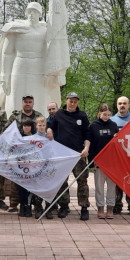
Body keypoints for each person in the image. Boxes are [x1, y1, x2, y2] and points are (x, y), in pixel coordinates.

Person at [0, 0, 69, 116]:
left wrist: (58, 72)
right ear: (26, 13)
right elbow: (7, 53)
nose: (32, 14)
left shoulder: (46, 31)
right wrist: (4, 75)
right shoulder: (16, 29)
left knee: (41, 98)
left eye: (35, 12)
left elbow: (55, 50)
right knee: (16, 97)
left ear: (40, 14)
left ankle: (41, 125)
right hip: (19, 66)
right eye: (30, 11)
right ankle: (13, 124)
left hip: (39, 68)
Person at [46, 92, 91, 220]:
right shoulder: (59, 114)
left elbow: (87, 134)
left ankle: (84, 207)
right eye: (70, 100)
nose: (72, 103)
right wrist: (49, 131)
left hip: (78, 153)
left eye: (75, 101)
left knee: (82, 181)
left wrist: (86, 148)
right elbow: (50, 126)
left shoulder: (82, 115)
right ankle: (64, 206)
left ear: (77, 102)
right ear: (66, 101)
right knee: (62, 182)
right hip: (62, 154)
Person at [5, 94, 44, 213]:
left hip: (34, 155)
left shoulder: (38, 116)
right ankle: (15, 204)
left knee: (33, 179)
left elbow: (43, 130)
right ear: (22, 103)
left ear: (33, 103)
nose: (27, 103)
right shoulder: (15, 116)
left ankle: (34, 205)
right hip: (17, 154)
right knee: (17, 180)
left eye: (30, 102)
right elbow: (7, 131)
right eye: (25, 102)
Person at [110, 96, 130, 216]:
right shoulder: (112, 120)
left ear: (128, 105)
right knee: (117, 182)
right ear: (117, 105)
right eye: (119, 103)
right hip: (118, 157)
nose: (122, 105)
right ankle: (117, 206)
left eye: (124, 103)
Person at [87, 103, 119, 219]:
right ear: (99, 113)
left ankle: (110, 208)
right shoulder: (93, 126)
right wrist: (91, 161)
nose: (106, 117)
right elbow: (90, 144)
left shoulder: (114, 125)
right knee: (99, 187)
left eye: (109, 115)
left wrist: (117, 137)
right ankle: (100, 208)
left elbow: (118, 143)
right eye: (104, 114)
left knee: (111, 187)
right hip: (98, 162)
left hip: (112, 162)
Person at [34, 116, 53, 219]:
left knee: (48, 187)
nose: (42, 127)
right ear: (36, 126)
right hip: (37, 167)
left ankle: (48, 208)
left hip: (48, 166)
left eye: (44, 125)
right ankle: (38, 207)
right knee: (38, 187)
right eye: (40, 125)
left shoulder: (49, 137)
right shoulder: (33, 138)